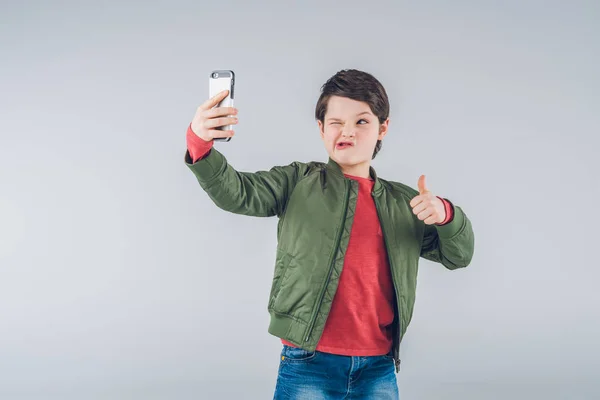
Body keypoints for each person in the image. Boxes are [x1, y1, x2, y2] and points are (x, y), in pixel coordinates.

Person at [184, 69, 475, 399]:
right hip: (308, 362)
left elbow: (459, 254)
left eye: (361, 121)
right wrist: (200, 143)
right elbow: (236, 192)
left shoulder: (403, 202)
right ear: (321, 129)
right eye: (336, 121)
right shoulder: (297, 182)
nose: (347, 130)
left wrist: (445, 215)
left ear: (383, 127)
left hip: (378, 367)